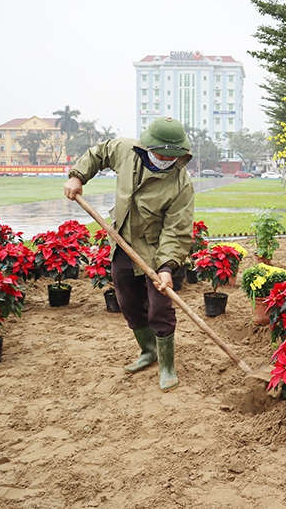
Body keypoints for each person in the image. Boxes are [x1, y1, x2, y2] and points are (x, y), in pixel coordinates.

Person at [63, 117, 194, 391]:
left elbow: (177, 229)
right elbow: (99, 153)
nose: (165, 160)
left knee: (160, 306)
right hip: (122, 240)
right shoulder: (125, 150)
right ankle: (149, 350)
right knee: (127, 300)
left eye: (172, 156)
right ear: (147, 147)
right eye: (161, 154)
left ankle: (167, 365)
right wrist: (78, 176)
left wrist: (167, 268)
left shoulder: (181, 183)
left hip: (157, 249)